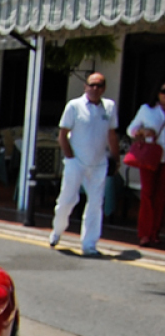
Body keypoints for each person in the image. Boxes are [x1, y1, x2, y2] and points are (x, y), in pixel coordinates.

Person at [50, 71, 119, 256]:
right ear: (85, 86)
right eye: (91, 85)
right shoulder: (74, 106)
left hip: (98, 163)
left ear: (104, 88)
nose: (95, 88)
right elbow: (62, 134)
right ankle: (57, 231)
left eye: (99, 85)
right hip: (76, 162)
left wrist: (116, 157)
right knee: (67, 200)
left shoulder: (109, 107)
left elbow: (112, 134)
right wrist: (70, 156)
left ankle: (89, 244)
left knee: (96, 203)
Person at [127, 81, 165, 247]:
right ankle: (145, 233)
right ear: (157, 93)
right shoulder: (147, 110)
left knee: (161, 197)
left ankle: (155, 232)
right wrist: (142, 132)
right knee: (147, 195)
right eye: (164, 91)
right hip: (150, 157)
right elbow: (131, 129)